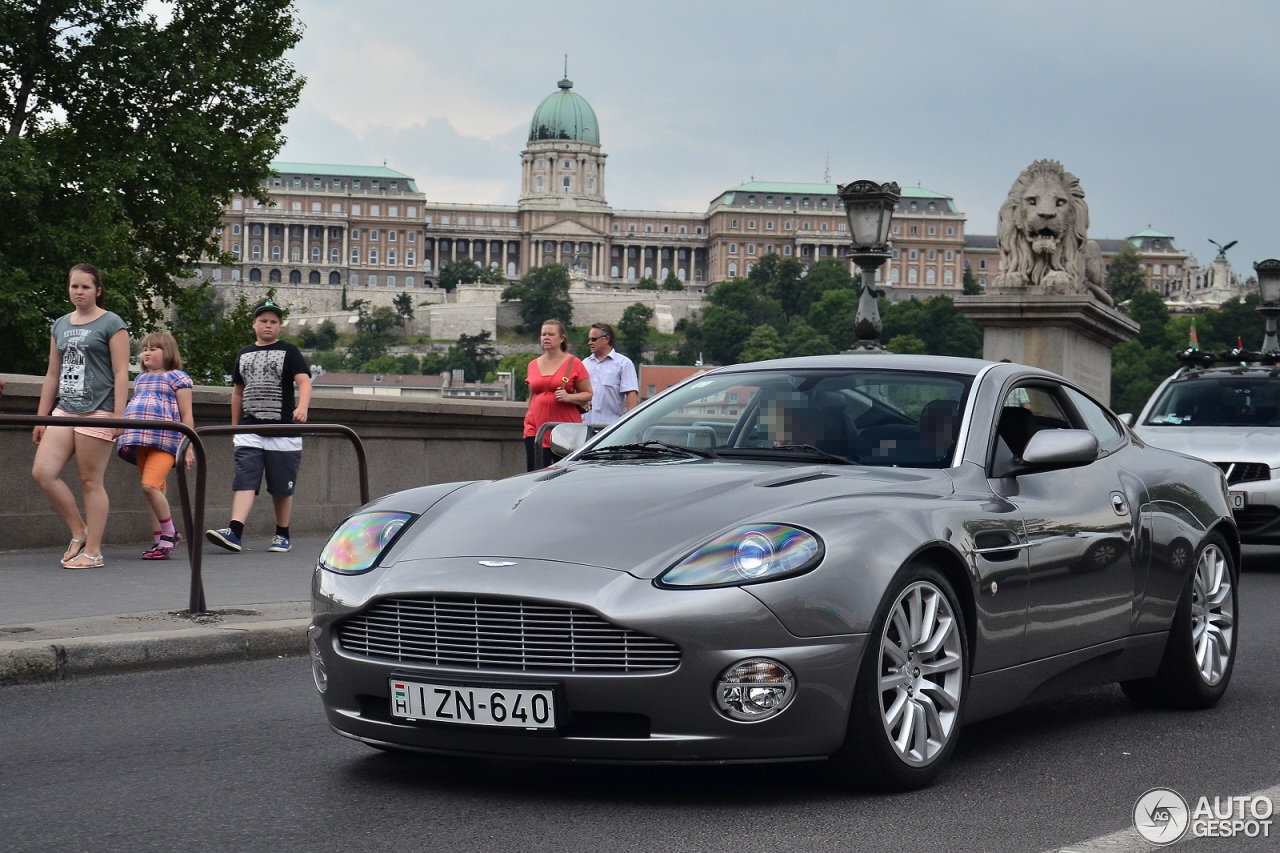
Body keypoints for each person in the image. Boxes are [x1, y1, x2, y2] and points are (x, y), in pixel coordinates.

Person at [31, 263, 130, 569]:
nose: (79, 291)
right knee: (43, 472)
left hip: (99, 409)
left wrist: (118, 415)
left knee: (90, 481)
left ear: (97, 290)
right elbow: (52, 373)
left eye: (85, 286)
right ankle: (79, 531)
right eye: (74, 286)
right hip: (65, 409)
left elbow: (121, 371)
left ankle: (94, 551)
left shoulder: (112, 323)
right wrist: (41, 417)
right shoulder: (60, 324)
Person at [206, 299, 311, 554]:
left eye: (273, 322)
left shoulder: (290, 351)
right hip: (249, 428)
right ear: (254, 324)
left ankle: (282, 533)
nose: (268, 325)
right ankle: (235, 531)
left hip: (282, 430)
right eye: (263, 321)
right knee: (245, 479)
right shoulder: (243, 353)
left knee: (281, 486)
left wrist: (302, 407)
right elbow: (237, 393)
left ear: (279, 326)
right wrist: (234, 427)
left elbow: (304, 381)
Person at [117, 332, 195, 560]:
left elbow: (186, 414)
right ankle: (160, 539)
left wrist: (188, 445)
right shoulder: (140, 379)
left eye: (154, 349)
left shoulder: (177, 378)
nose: (147, 353)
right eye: (145, 349)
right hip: (141, 438)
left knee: (149, 485)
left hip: (166, 440)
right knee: (156, 490)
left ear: (167, 352)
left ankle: (170, 534)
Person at [523, 319, 592, 471]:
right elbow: (532, 396)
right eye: (543, 334)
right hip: (536, 430)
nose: (546, 338)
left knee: (564, 477)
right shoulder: (533, 365)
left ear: (562, 338)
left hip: (565, 431)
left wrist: (569, 397)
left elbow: (588, 394)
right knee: (536, 476)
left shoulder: (574, 363)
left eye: (551, 334)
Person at [582, 322, 639, 427]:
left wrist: (630, 424)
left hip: (610, 427)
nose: (590, 343)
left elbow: (631, 393)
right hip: (585, 426)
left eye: (593, 339)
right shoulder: (585, 363)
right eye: (589, 339)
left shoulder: (624, 363)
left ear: (607, 339)